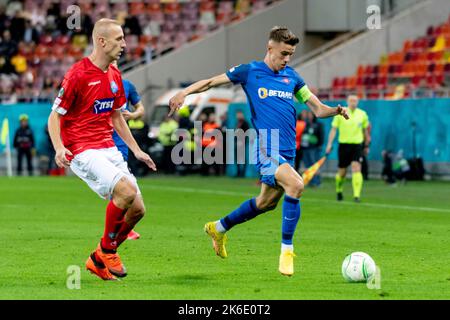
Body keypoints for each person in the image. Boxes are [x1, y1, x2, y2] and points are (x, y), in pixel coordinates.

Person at [168, 26, 349, 276]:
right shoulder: (250, 72)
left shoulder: (293, 78)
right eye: (284, 53)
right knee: (296, 185)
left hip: (287, 150)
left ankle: (218, 228)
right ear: (270, 48)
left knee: (266, 203)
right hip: (267, 145)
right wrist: (184, 92)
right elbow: (211, 82)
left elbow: (317, 109)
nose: (287, 59)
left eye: (291, 54)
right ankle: (287, 251)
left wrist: (336, 110)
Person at [47, 19, 156, 281]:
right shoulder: (77, 75)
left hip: (107, 146)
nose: (124, 44)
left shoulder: (115, 75)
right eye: (119, 39)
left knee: (138, 209)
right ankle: (108, 250)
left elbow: (116, 117)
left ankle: (98, 258)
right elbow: (54, 117)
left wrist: (137, 150)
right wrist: (59, 148)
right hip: (82, 149)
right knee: (125, 192)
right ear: (102, 41)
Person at [111, 64, 146, 240]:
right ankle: (118, 229)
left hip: (121, 141)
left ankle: (121, 227)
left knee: (121, 185)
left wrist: (132, 115)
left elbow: (141, 108)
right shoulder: (95, 84)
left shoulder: (127, 86)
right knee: (119, 186)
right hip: (99, 142)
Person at [325, 95, 370, 203]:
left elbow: (366, 131)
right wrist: (329, 144)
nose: (353, 102)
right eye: (351, 100)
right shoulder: (341, 113)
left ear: (358, 102)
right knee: (342, 172)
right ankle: (339, 190)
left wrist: (367, 145)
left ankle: (356, 196)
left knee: (356, 167)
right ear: (347, 101)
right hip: (344, 145)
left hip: (357, 145)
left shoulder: (362, 114)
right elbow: (333, 130)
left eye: (355, 100)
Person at [301, 111, 324, 187]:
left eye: (311, 114)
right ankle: (310, 181)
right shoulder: (306, 124)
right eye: (309, 114)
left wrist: (319, 145)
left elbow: (321, 136)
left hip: (314, 148)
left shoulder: (318, 124)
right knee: (307, 165)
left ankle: (317, 181)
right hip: (305, 148)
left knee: (314, 165)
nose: (309, 116)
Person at [235, 110, 250, 177]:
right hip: (237, 143)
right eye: (237, 115)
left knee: (243, 159)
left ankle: (242, 173)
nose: (238, 116)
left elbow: (247, 133)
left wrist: (243, 141)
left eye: (239, 114)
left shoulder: (245, 123)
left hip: (242, 143)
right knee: (237, 158)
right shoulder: (237, 123)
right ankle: (238, 172)